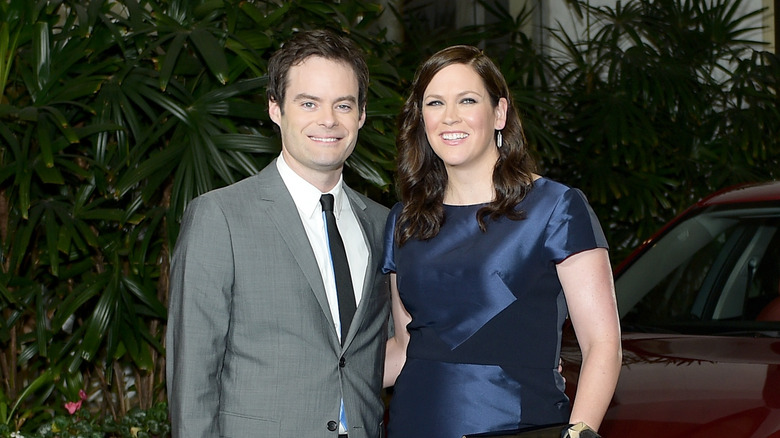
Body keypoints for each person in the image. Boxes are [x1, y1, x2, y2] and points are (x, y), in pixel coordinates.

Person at [381, 45, 622, 438]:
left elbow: (602, 345)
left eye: (468, 100)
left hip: (520, 424)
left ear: (499, 113)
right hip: (413, 424)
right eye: (435, 103)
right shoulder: (404, 219)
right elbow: (405, 348)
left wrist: (580, 434)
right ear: (421, 118)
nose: (450, 117)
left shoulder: (556, 207)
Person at [166, 29, 391, 438]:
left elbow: (379, 353)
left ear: (361, 115)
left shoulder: (379, 223)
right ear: (275, 108)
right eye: (309, 103)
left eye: (343, 104)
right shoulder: (220, 217)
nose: (328, 120)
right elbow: (193, 373)